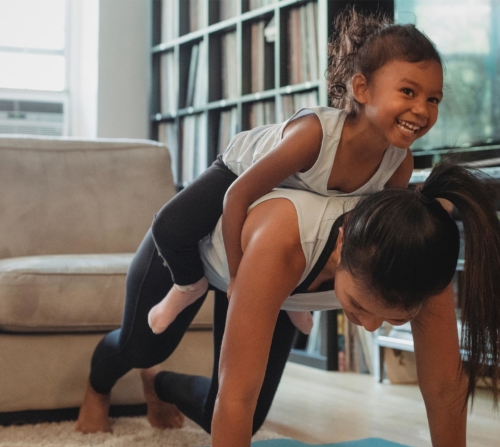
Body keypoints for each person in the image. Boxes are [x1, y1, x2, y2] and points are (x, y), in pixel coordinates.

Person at [76, 159, 500, 447]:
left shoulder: (423, 257)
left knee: (238, 417)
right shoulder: (285, 241)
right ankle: (100, 386)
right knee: (142, 348)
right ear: (340, 244)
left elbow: (444, 389)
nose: (370, 327)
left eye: (393, 319)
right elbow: (235, 392)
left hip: (266, 287)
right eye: (357, 307)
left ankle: (159, 384)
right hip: (195, 258)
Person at [147, 7, 444, 336]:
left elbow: (374, 233)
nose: (422, 109)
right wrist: (237, 278)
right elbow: (237, 196)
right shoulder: (314, 136)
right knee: (168, 227)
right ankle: (187, 286)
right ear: (362, 89)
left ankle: (291, 306)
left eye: (434, 99)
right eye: (408, 92)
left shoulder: (399, 162)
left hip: (300, 202)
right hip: (237, 171)